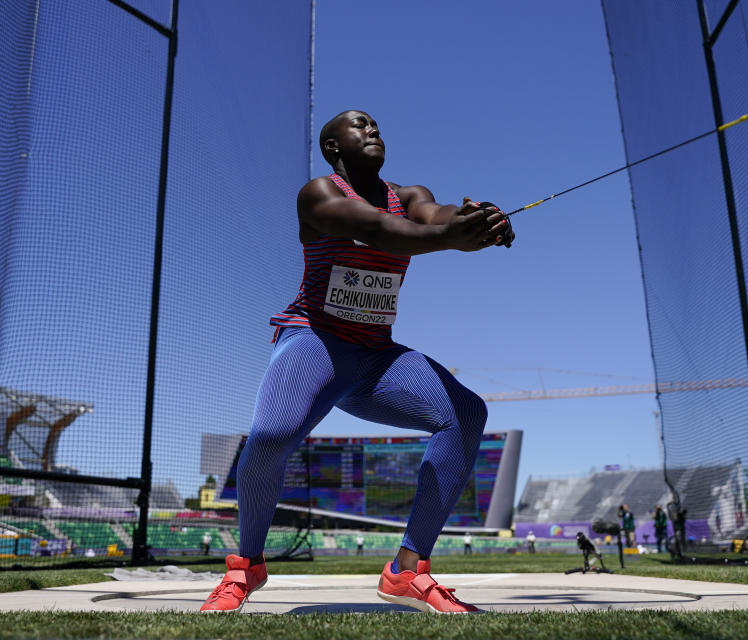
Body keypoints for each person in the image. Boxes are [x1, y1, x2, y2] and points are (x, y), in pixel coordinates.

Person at [200, 110, 513, 615]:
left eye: (377, 125)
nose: (372, 130)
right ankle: (247, 565)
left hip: (374, 357)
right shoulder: (318, 195)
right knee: (272, 437)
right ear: (332, 147)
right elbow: (382, 231)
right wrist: (450, 238)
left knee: (466, 413)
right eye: (358, 125)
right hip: (314, 342)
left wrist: (480, 220)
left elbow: (435, 216)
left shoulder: (409, 196)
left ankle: (407, 569)